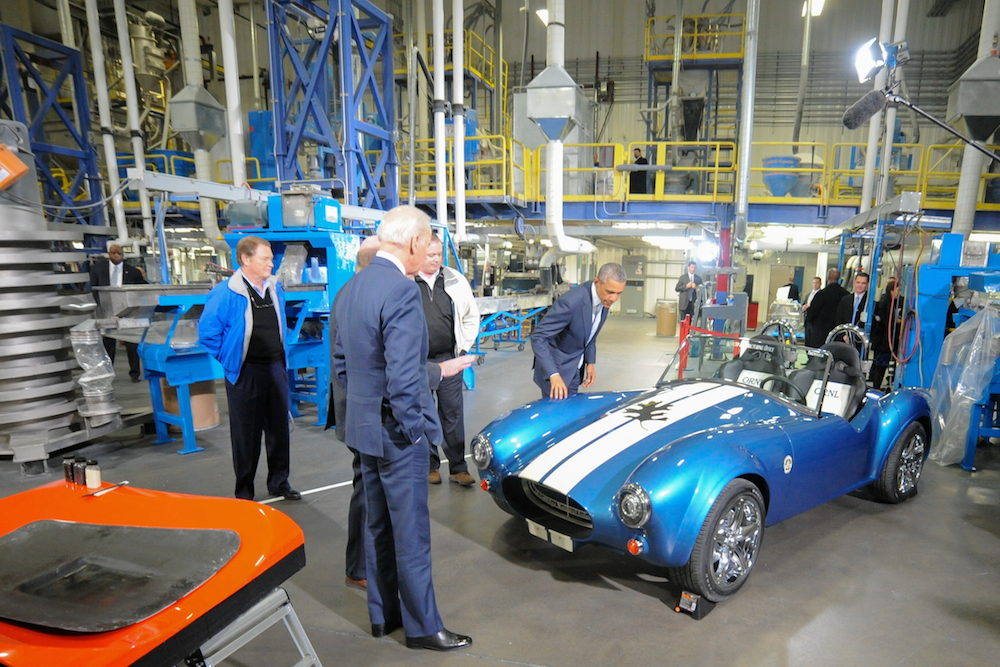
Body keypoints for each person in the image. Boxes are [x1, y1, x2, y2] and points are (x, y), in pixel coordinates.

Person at [334, 205, 472, 651]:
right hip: (397, 434)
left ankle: (383, 616)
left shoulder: (351, 288)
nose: (429, 252)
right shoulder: (401, 290)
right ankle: (422, 628)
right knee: (410, 533)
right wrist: (417, 432)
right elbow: (404, 376)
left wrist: (354, 420)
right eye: (427, 242)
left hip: (364, 430)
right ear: (414, 243)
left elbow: (343, 366)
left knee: (377, 526)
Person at [198, 236, 300, 502]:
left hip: (275, 369)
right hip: (246, 373)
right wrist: (231, 360)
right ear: (245, 259)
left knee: (279, 431)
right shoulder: (225, 293)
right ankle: (244, 492)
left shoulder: (275, 288)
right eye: (265, 258)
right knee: (246, 435)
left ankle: (279, 482)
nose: (271, 263)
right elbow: (208, 334)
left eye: (271, 258)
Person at [416, 234, 480, 487]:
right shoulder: (407, 279)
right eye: (430, 255)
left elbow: (470, 316)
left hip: (450, 359)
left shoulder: (454, 279)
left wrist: (463, 349)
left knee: (452, 414)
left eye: (439, 254)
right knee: (423, 413)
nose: (436, 260)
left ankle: (457, 467)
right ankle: (430, 466)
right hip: (418, 362)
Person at [531, 263, 626, 399]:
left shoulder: (604, 299)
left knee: (570, 411)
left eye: (619, 293)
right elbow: (538, 337)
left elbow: (590, 333)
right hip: (557, 367)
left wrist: (590, 362)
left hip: (576, 365)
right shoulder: (571, 302)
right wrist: (554, 374)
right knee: (557, 416)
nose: (614, 298)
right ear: (597, 282)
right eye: (610, 292)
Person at [90, 244, 147, 381]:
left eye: (119, 253)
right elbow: (93, 289)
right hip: (107, 310)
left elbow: (142, 289)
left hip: (128, 311)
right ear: (109, 254)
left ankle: (135, 373)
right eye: (114, 253)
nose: (116, 256)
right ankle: (108, 372)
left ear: (123, 255)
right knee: (108, 343)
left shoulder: (133, 272)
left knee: (131, 344)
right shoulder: (97, 269)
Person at [804, 268, 848, 347]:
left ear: (828, 277)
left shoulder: (821, 295)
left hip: (820, 335)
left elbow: (811, 314)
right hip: (838, 335)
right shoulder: (846, 295)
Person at [870, 278, 900, 390]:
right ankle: (876, 388)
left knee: (883, 366)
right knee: (880, 366)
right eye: (898, 290)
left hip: (886, 341)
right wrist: (895, 322)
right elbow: (884, 321)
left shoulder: (892, 302)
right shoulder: (884, 302)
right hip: (883, 341)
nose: (899, 293)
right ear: (892, 291)